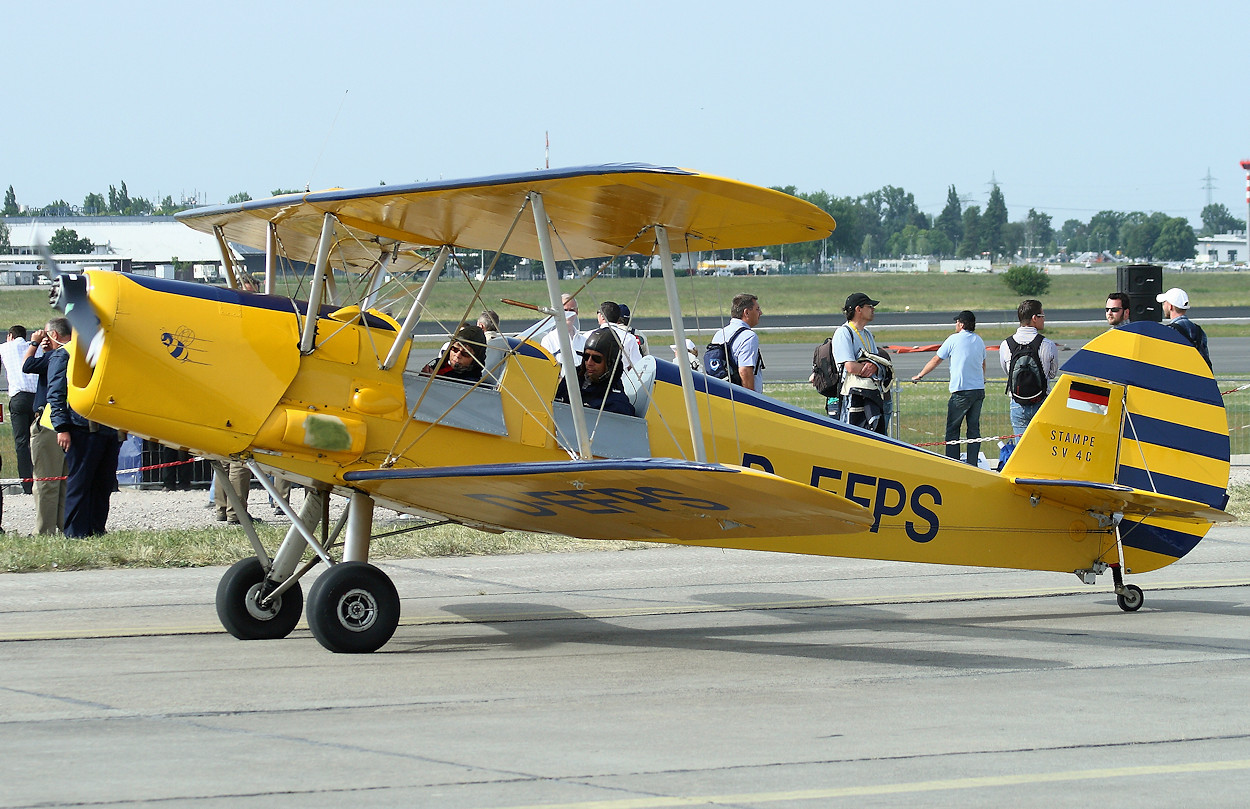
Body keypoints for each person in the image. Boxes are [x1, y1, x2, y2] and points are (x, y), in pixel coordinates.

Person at [46, 320, 122, 538]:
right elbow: (57, 393)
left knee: (103, 484)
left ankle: (97, 529)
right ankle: (75, 533)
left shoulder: (107, 352)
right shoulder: (66, 354)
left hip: (108, 429)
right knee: (80, 484)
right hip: (81, 429)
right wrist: (62, 427)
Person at [911, 310, 986, 466]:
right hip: (978, 390)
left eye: (957, 322)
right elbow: (983, 363)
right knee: (974, 430)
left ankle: (953, 464)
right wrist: (982, 379)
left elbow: (936, 359)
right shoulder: (979, 340)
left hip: (961, 391)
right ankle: (973, 464)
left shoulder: (954, 339)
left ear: (962, 324)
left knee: (953, 429)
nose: (956, 324)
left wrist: (920, 375)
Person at [23, 320, 68, 534]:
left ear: (54, 335)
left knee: (45, 481)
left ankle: (44, 531)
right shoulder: (70, 354)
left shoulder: (56, 356)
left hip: (48, 423)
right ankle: (64, 526)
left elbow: (27, 365)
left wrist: (33, 343)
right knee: (63, 481)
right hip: (66, 424)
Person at [832, 292, 891, 434]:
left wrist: (874, 366)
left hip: (872, 394)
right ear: (858, 309)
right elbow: (850, 366)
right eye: (870, 306)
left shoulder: (867, 334)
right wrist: (871, 368)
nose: (873, 310)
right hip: (852, 395)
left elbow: (876, 362)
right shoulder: (844, 333)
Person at [999, 299, 1059, 436]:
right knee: (1042, 446)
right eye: (1042, 316)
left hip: (1017, 403)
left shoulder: (1005, 345)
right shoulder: (1048, 345)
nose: (1044, 319)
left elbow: (1007, 371)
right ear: (1034, 318)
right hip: (1042, 401)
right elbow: (1052, 374)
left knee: (1021, 449)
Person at [554, 327, 634, 415]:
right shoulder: (571, 379)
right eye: (586, 356)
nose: (589, 362)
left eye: (596, 358)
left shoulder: (616, 402)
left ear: (610, 362)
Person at [1, 326, 39, 494]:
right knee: (37, 441)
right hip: (36, 398)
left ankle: (27, 483)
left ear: (10, 336)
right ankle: (42, 478)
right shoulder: (35, 347)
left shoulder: (5, 347)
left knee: (21, 443)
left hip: (18, 398)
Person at [710, 293, 764, 392]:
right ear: (746, 312)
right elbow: (745, 371)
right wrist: (751, 400)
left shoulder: (719, 333)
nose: (761, 313)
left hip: (721, 393)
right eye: (757, 309)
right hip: (740, 399)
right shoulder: (749, 336)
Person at [1157, 287, 1211, 369]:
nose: (1163, 305)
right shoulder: (1198, 330)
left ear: (1170, 306)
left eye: (1165, 303)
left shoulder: (1169, 331)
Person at [421, 324, 487, 384]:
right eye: (455, 349)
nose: (457, 355)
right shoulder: (439, 364)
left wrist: (435, 382)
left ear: (475, 360)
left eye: (465, 354)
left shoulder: (471, 383)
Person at [589, 301, 643, 371]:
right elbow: (637, 366)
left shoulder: (588, 335)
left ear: (602, 316)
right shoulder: (629, 338)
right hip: (623, 380)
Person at [541, 294, 586, 366]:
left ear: (577, 312)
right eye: (564, 310)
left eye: (571, 310)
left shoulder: (584, 341)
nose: (568, 314)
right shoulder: (548, 340)